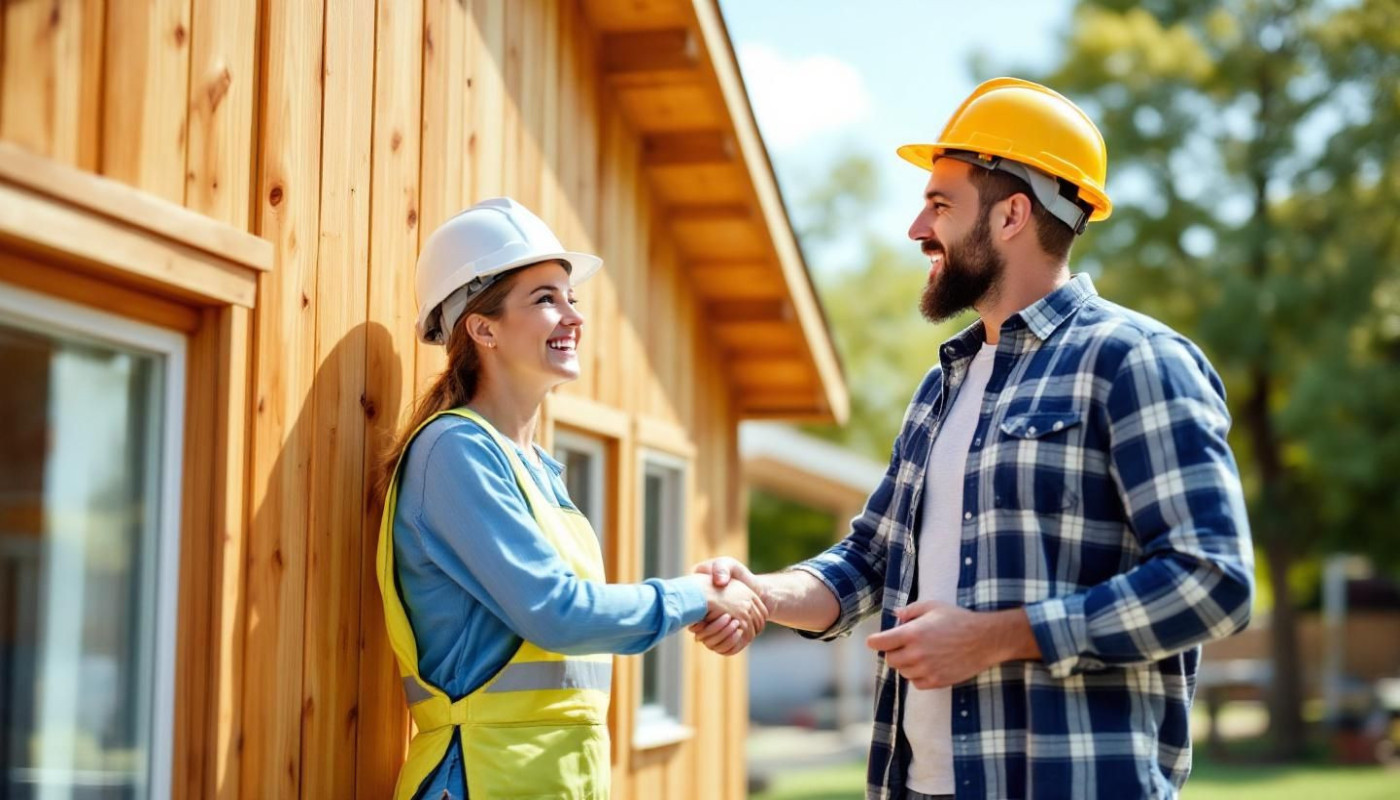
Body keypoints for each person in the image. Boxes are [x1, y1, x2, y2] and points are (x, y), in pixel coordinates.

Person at [693, 78, 1254, 799]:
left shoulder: (1132, 362)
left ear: (1014, 213)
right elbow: (869, 560)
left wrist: (999, 636)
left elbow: (1215, 580)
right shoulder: (944, 386)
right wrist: (763, 593)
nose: (916, 228)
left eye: (940, 204)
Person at [373, 197, 767, 800]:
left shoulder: (534, 468)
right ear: (483, 328)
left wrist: (711, 602)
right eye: (545, 299)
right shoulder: (455, 451)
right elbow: (559, 612)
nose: (573, 317)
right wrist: (701, 595)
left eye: (570, 298)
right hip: (478, 777)